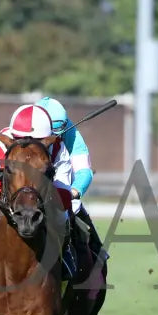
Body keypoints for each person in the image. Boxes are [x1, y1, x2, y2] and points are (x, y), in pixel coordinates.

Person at [0, 103, 79, 277]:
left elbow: (64, 197)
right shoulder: (0, 144)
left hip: (42, 195)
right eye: (20, 139)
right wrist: (3, 177)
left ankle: (65, 248)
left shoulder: (57, 147)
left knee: (63, 212)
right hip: (7, 193)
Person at [36, 96, 103, 262]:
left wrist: (73, 191)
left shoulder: (70, 132)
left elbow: (84, 171)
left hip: (60, 188)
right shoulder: (23, 131)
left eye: (59, 132)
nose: (55, 138)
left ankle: (96, 256)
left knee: (75, 207)